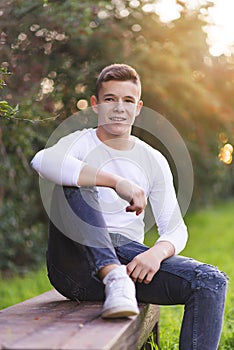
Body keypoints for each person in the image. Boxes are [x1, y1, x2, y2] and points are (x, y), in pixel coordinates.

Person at [31, 63, 227, 349]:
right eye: (110, 99)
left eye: (128, 100)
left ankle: (119, 278)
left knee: (211, 282)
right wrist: (115, 182)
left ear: (138, 107)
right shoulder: (78, 143)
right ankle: (112, 275)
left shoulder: (154, 159)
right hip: (73, 267)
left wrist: (157, 254)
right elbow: (41, 161)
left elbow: (175, 229)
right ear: (96, 105)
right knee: (74, 176)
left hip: (130, 264)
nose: (119, 108)